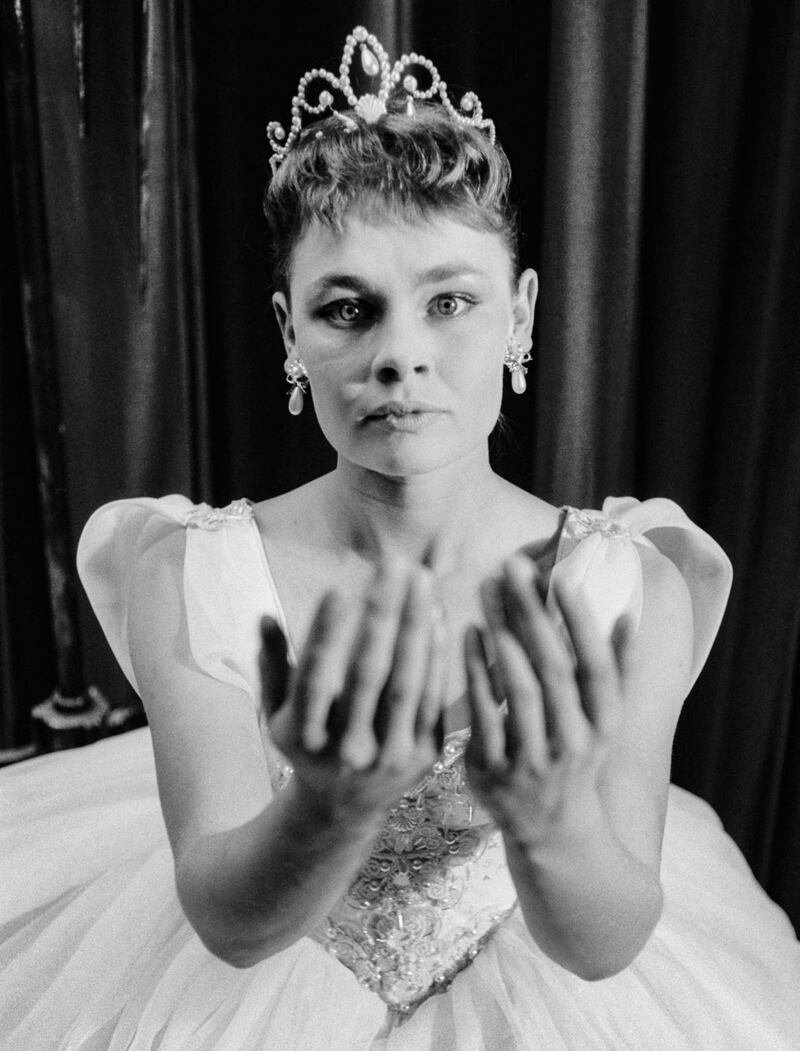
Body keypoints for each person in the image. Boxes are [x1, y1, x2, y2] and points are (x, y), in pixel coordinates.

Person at [2, 25, 799, 1051]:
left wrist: (550, 819)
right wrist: (324, 807)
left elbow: (604, 944)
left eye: (448, 301)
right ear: (289, 333)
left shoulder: (623, 582)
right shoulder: (193, 570)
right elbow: (226, 922)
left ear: (518, 317)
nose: (399, 356)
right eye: (347, 309)